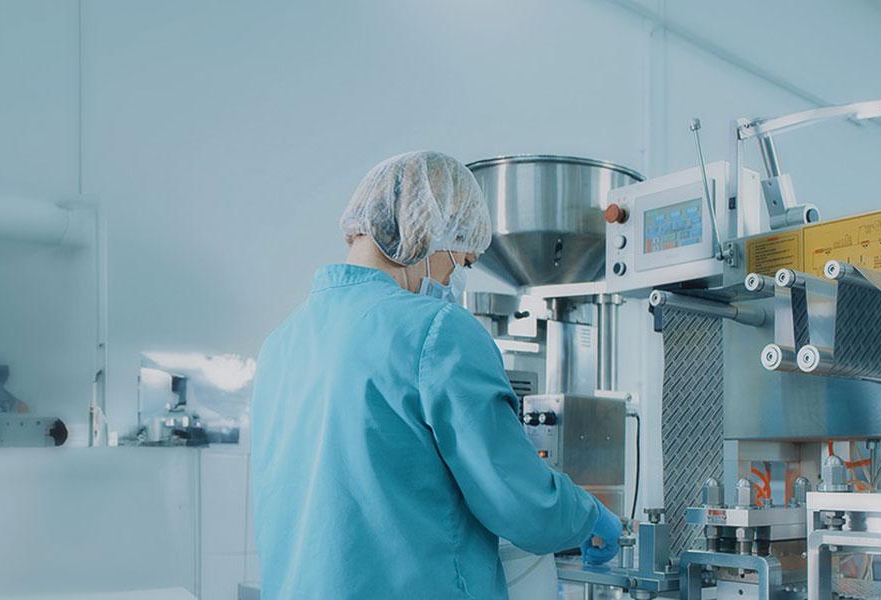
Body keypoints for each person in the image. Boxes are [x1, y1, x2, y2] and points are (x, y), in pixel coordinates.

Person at [251, 151, 621, 598]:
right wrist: (587, 516)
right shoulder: (436, 330)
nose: (454, 280)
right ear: (431, 232)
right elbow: (520, 502)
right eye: (463, 262)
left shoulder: (281, 343)